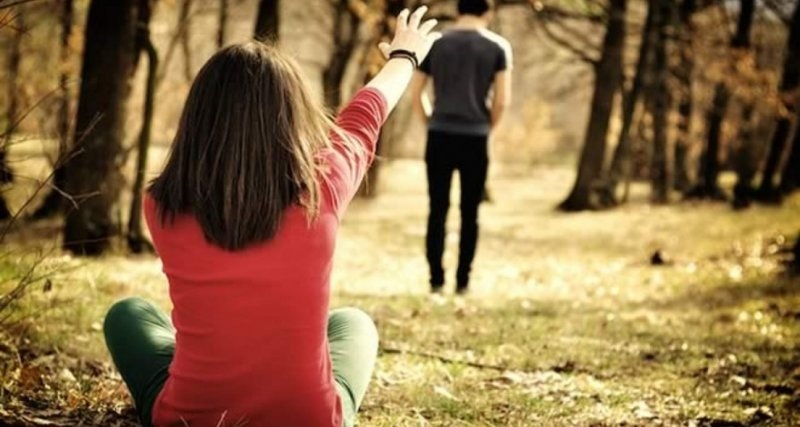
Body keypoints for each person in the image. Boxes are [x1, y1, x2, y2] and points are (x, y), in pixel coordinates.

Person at [102, 8, 440, 427]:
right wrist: (404, 57)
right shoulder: (323, 188)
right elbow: (365, 116)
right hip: (309, 418)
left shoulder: (161, 205)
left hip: (190, 416)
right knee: (354, 324)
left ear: (197, 119)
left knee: (127, 315)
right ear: (291, 116)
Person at [410, 0, 512, 295]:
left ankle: (436, 280)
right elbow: (502, 101)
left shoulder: (435, 44)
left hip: (439, 135)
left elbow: (416, 93)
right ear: (488, 12)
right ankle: (463, 282)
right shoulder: (498, 47)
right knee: (470, 212)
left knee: (437, 209)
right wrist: (487, 128)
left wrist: (429, 121)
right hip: (475, 138)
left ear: (458, 10)